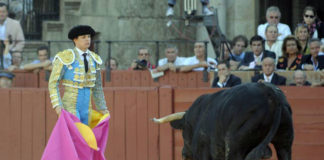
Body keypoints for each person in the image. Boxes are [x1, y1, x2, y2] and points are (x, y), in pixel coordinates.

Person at [48, 25, 109, 125]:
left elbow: (97, 87)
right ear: (75, 40)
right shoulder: (65, 57)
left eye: (88, 37)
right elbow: (53, 83)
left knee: (85, 137)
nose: (87, 40)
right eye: (83, 37)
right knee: (75, 136)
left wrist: (102, 108)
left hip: (87, 108)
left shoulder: (94, 59)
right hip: (70, 106)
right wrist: (57, 106)